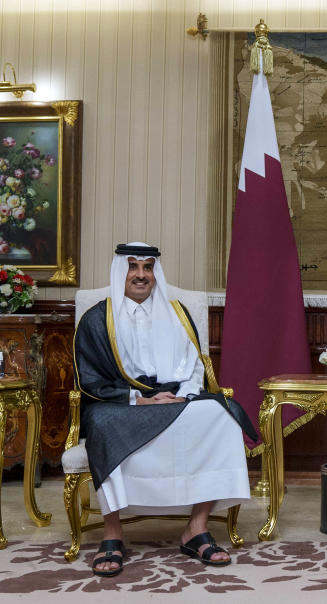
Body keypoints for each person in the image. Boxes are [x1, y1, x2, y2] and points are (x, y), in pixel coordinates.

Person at [74, 242, 258, 577]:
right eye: (133, 267)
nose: (141, 275)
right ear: (121, 271)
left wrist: (183, 397)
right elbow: (90, 380)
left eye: (148, 268)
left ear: (156, 272)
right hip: (122, 404)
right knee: (101, 422)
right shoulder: (97, 319)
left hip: (174, 400)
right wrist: (139, 399)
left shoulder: (178, 314)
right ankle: (113, 533)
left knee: (222, 413)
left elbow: (193, 369)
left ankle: (196, 528)